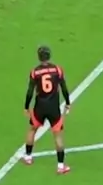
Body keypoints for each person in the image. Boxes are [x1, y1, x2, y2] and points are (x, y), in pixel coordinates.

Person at [22, 46, 71, 174]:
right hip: (54, 107)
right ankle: (60, 166)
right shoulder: (57, 70)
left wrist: (26, 106)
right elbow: (64, 88)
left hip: (40, 106)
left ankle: (28, 157)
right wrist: (68, 102)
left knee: (32, 129)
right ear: (49, 56)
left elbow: (30, 91)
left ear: (39, 57)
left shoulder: (35, 72)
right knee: (57, 135)